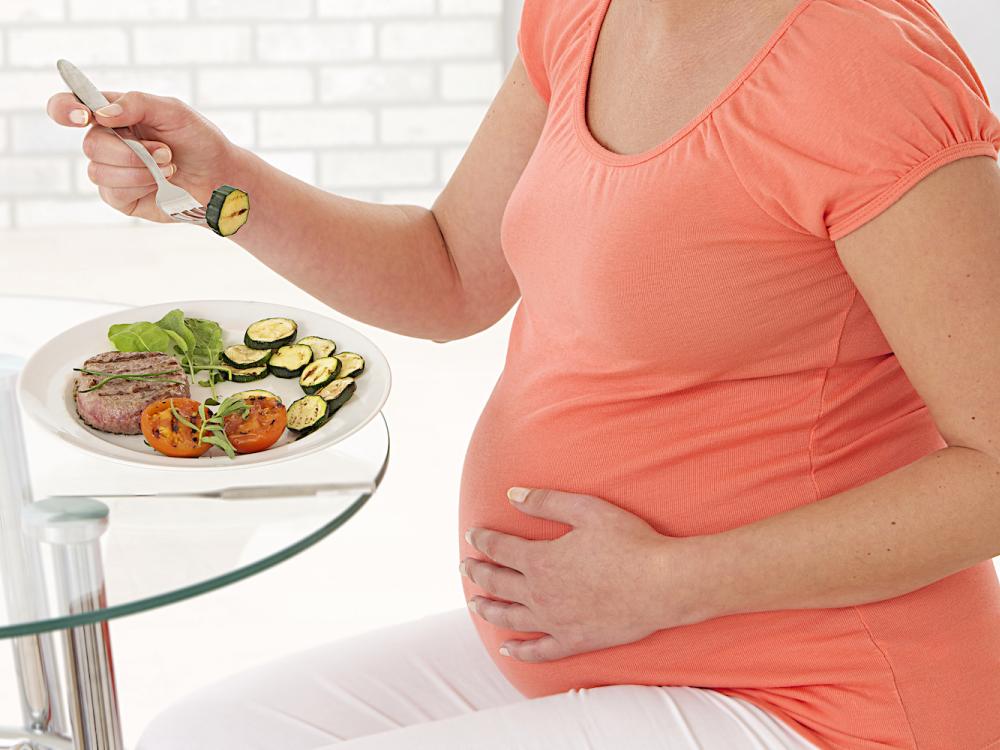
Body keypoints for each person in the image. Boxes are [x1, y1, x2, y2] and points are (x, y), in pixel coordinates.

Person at [47, 0, 1000, 747]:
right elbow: (451, 273)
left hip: (820, 699)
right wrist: (223, 187)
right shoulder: (589, 13)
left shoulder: (865, 74)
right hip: (607, 644)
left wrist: (668, 582)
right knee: (199, 738)